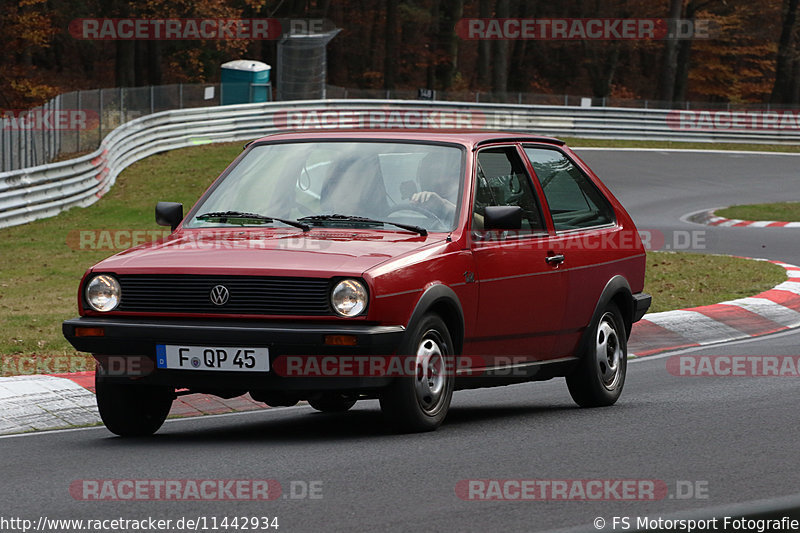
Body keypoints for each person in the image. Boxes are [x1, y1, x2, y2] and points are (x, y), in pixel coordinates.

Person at [410, 151, 459, 222]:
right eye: (435, 174)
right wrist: (413, 198)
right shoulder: (424, 198)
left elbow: (477, 220)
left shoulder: (470, 196)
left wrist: (444, 206)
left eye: (447, 173)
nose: (440, 180)